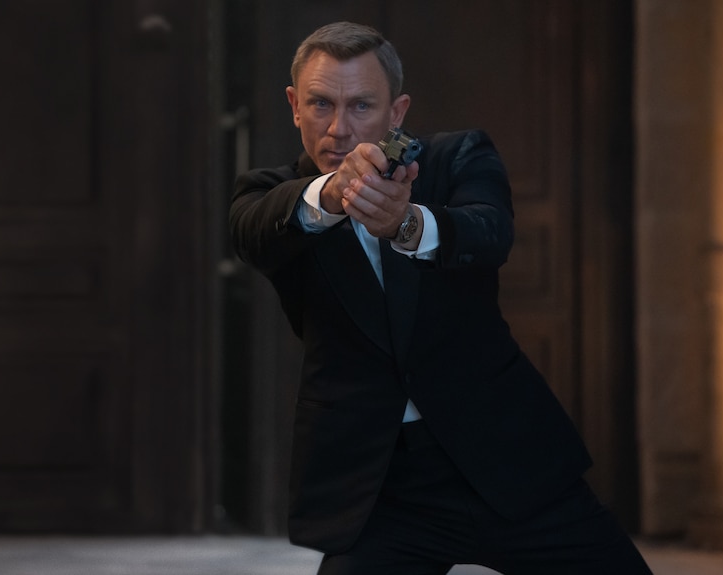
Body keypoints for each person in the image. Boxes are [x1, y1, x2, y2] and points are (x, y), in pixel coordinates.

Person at [229, 21, 653, 575]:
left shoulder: (457, 157)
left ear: (397, 112)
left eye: (361, 106)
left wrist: (406, 225)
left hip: (507, 462)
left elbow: (489, 232)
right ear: (293, 106)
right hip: (382, 492)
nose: (338, 128)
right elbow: (254, 230)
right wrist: (335, 195)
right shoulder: (272, 194)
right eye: (320, 104)